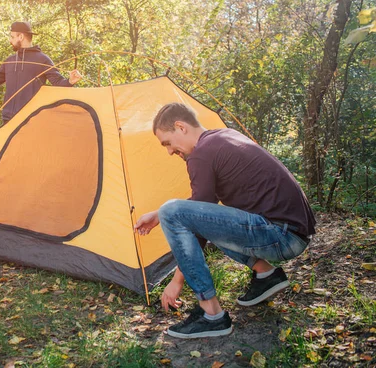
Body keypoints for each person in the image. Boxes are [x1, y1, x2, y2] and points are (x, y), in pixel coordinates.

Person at [135, 103, 315, 339]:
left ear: (180, 127)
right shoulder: (223, 136)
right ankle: (266, 274)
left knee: (173, 210)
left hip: (280, 236)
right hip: (292, 233)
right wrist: (158, 216)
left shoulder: (200, 154)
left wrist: (177, 282)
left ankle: (212, 315)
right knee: (175, 212)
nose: (169, 152)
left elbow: (194, 221)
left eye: (167, 143)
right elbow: (202, 208)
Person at [0, 21, 82, 123]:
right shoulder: (9, 61)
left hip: (31, 119)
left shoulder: (42, 60)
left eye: (12, 37)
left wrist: (70, 81)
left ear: (21, 37)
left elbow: (58, 83)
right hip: (8, 120)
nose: (10, 40)